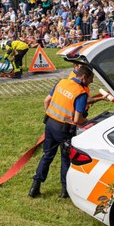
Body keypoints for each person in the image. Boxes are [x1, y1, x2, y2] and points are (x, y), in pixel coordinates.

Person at [29, 66, 97, 199]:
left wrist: (52, 115)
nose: (92, 82)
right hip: (65, 130)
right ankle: (65, 191)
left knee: (47, 155)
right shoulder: (80, 93)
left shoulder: (61, 82)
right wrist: (87, 121)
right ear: (84, 77)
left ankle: (34, 187)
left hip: (50, 124)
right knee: (65, 159)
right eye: (91, 79)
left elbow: (46, 101)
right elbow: (77, 119)